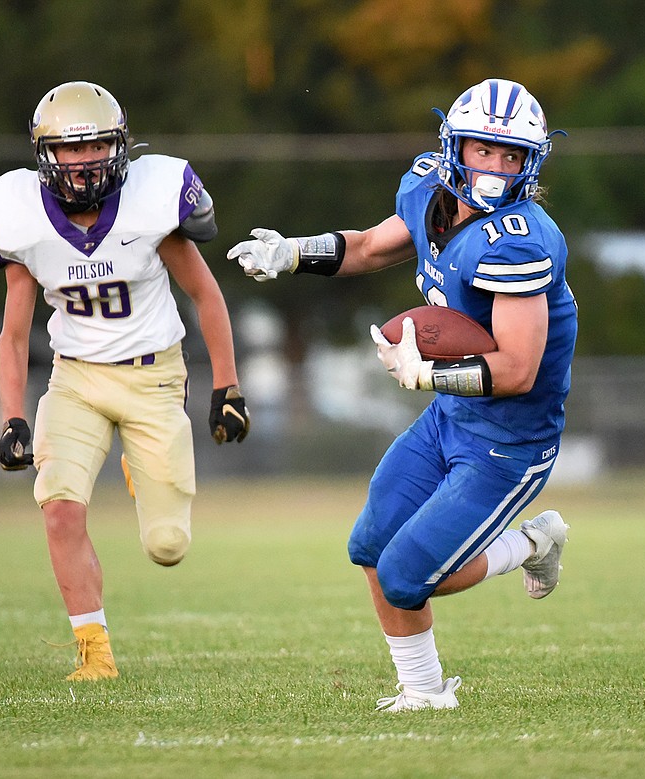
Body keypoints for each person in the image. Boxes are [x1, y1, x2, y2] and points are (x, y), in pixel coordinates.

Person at [227, 78, 577, 711]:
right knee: (370, 547)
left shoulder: (521, 238)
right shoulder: (426, 191)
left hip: (509, 442)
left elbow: (521, 370)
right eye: (483, 150)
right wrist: (292, 253)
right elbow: (365, 247)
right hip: (450, 419)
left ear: (532, 162)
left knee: (408, 573)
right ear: (454, 148)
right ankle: (423, 693)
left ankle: (532, 543)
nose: (495, 168)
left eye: (511, 156)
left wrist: (426, 375)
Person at [0, 81, 250, 681]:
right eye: (70, 149)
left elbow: (206, 294)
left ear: (119, 146)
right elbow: (14, 334)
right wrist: (11, 416)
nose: (84, 161)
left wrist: (227, 387)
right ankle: (94, 652)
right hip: (74, 382)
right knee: (58, 506)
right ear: (45, 154)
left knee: (168, 546)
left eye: (96, 145)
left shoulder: (152, 202)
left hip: (154, 379)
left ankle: (135, 463)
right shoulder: (19, 217)